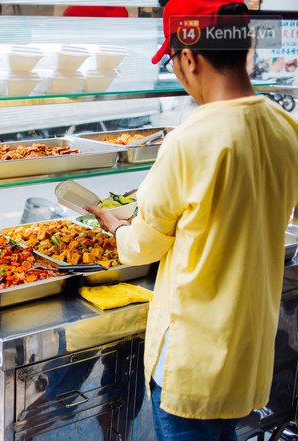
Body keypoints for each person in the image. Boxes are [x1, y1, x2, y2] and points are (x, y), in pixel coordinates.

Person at [85, 1, 298, 440]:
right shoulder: (284, 126)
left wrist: (116, 225)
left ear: (189, 56)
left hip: (193, 360)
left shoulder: (189, 139)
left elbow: (144, 244)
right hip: (246, 349)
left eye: (173, 61)